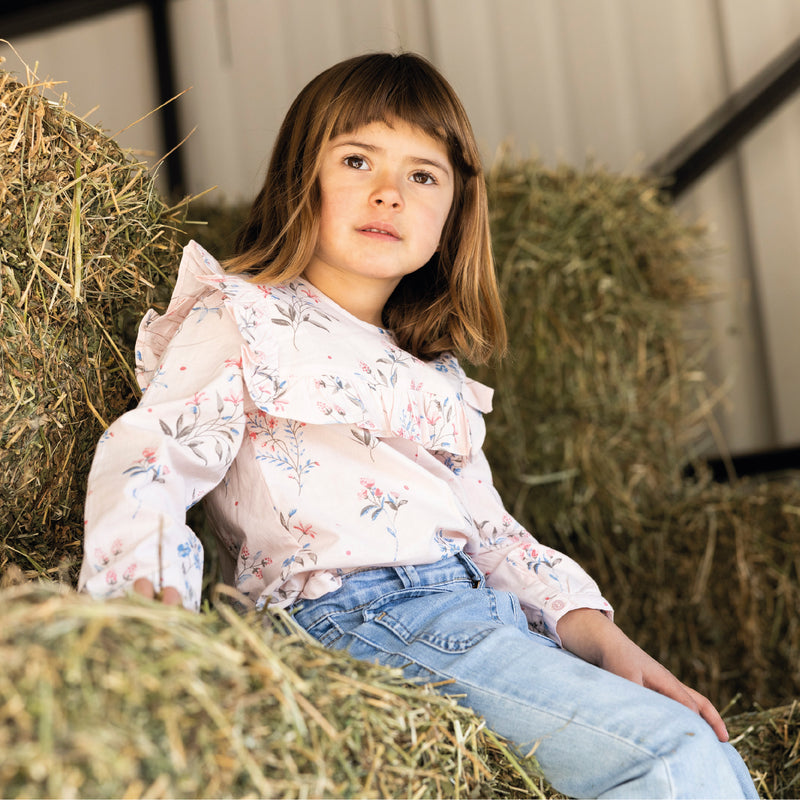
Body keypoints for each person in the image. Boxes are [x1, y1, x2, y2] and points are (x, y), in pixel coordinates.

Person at [79, 52, 758, 799]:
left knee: (713, 759)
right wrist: (142, 613)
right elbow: (154, 449)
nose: (388, 193)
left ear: (453, 214)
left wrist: (604, 639)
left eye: (422, 176)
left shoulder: (433, 374)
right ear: (297, 179)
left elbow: (492, 533)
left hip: (473, 618)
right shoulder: (243, 314)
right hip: (355, 618)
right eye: (358, 159)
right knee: (669, 759)